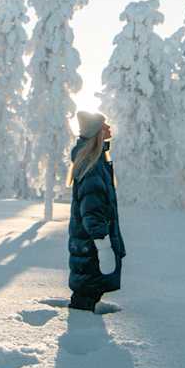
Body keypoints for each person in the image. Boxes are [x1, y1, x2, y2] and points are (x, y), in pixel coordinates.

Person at [67, 110, 126, 312]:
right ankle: (81, 330)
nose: (109, 128)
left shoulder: (96, 161)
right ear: (97, 133)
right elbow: (92, 211)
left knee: (89, 292)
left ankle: (83, 326)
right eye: (104, 125)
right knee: (86, 295)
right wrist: (103, 245)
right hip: (91, 246)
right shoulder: (92, 166)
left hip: (88, 245)